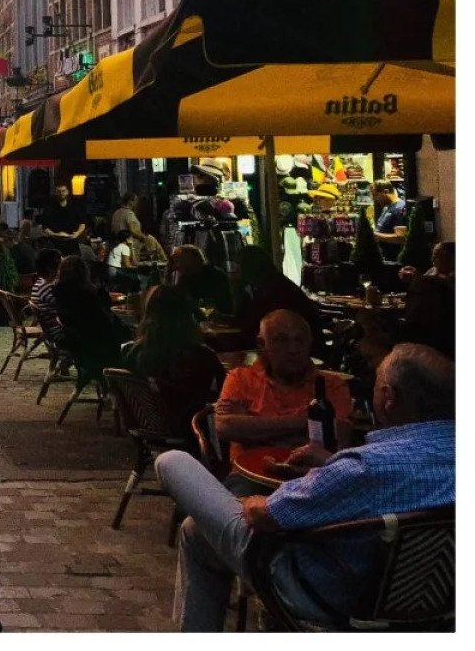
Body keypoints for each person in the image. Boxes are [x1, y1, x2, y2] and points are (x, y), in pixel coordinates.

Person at [155, 343, 454, 631]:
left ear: (388, 397)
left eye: (375, 386)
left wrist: (249, 500)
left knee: (173, 462)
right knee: (196, 531)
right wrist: (333, 464)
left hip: (322, 596)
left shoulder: (366, 467)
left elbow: (264, 516)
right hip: (436, 605)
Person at [214, 309, 352, 494]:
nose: (293, 349)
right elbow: (224, 427)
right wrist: (308, 421)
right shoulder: (240, 377)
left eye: (299, 340)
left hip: (312, 478)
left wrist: (251, 425)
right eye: (282, 340)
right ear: (261, 344)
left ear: (310, 343)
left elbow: (340, 435)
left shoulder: (331, 384)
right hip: (249, 477)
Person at [123, 283, 226, 432]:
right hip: (193, 428)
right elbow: (224, 391)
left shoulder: (133, 353)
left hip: (147, 428)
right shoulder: (201, 356)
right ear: (186, 315)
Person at [233, 245, 322, 350]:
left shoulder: (274, 290)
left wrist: (237, 288)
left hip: (300, 353)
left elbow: (252, 324)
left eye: (238, 266)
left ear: (250, 266)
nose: (236, 271)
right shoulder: (272, 284)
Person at [167, 243, 234, 317]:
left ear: (190, 261)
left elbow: (219, 307)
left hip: (218, 322)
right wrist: (168, 273)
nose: (176, 266)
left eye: (179, 261)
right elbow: (174, 301)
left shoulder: (215, 276)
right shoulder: (187, 277)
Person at [28, 247, 66, 346]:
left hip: (54, 329)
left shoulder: (40, 282)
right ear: (51, 268)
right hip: (60, 333)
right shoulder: (48, 288)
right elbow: (66, 308)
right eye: (62, 264)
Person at [370, 179, 408, 247]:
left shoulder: (400, 208)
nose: (374, 199)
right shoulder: (386, 207)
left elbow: (401, 238)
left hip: (392, 254)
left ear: (386, 192)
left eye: (376, 195)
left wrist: (375, 235)